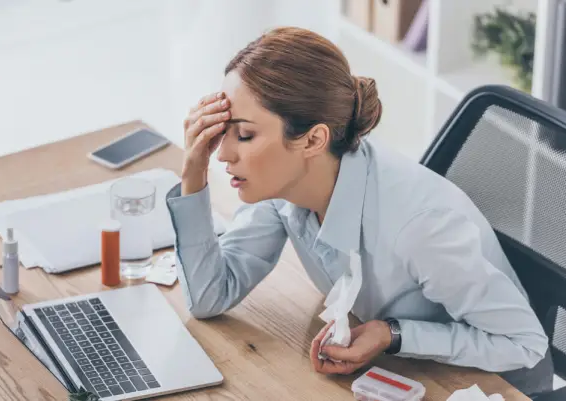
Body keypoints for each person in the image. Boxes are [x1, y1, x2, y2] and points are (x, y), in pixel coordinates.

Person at [165, 27, 553, 396]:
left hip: (493, 385)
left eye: (245, 135)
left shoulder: (419, 227)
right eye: (222, 131)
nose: (224, 153)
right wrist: (192, 172)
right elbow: (209, 296)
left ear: (314, 139)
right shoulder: (284, 190)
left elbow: (523, 345)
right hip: (408, 373)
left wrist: (394, 333)